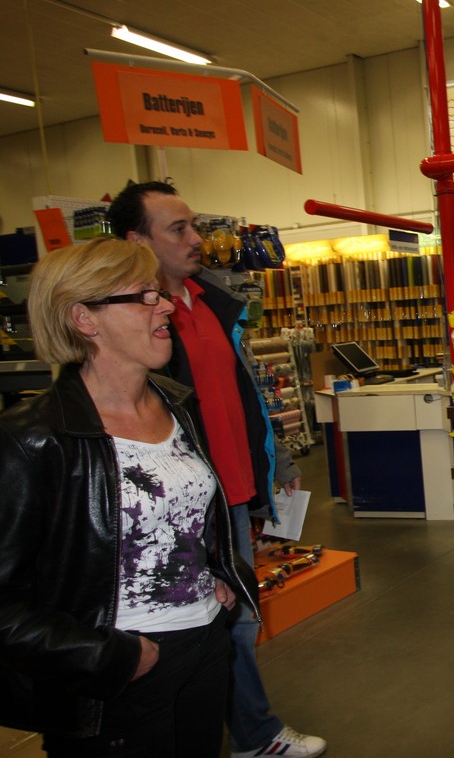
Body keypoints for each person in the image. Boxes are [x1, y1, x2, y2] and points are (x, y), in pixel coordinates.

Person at [0, 239, 253, 756]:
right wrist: (107, 656)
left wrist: (216, 575)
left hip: (204, 642)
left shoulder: (175, 405)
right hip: (120, 673)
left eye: (159, 293)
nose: (166, 306)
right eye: (143, 296)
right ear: (84, 319)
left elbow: (182, 520)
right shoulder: (34, 437)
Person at [109, 182, 326, 758]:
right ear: (136, 241)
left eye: (195, 226)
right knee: (199, 627)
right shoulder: (133, 320)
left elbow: (243, 389)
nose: (197, 239)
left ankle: (249, 733)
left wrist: (275, 458)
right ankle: (250, 734)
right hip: (181, 499)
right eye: (177, 229)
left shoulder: (211, 301)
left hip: (230, 488)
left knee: (239, 619)